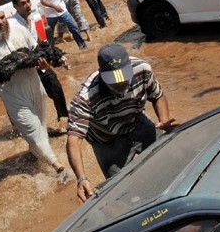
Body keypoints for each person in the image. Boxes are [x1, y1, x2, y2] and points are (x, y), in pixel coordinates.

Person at [67, 44, 178, 201]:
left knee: (165, 161)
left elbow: (157, 95)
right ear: (101, 74)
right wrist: (81, 178)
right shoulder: (85, 97)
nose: (122, 85)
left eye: (125, 79)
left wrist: (164, 120)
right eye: (115, 82)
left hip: (137, 123)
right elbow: (74, 139)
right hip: (107, 141)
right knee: (123, 190)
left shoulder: (142, 69)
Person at [0, 5, 70, 181]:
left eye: (2, 17)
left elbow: (38, 50)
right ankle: (59, 167)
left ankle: (35, 153)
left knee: (41, 127)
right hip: (13, 96)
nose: (0, 22)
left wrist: (44, 64)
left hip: (35, 86)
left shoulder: (19, 30)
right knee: (33, 130)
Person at [9, 0, 70, 130]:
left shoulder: (31, 19)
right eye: (23, 3)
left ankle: (64, 119)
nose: (28, 5)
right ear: (15, 7)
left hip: (39, 63)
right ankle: (20, 127)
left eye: (28, 1)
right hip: (24, 68)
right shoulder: (13, 25)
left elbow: (37, 40)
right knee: (30, 99)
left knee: (55, 86)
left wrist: (57, 55)